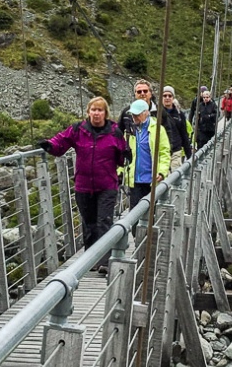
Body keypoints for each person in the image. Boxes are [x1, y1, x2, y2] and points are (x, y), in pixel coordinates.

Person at [39, 97, 129, 274]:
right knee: (89, 224)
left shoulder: (115, 132)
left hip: (107, 185)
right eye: (93, 110)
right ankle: (91, 259)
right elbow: (61, 141)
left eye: (100, 110)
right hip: (84, 186)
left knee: (104, 221)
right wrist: (49, 145)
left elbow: (121, 156)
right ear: (88, 112)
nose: (96, 113)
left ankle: (104, 261)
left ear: (105, 113)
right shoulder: (78, 129)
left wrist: (126, 154)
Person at [120, 99, 170, 211]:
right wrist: (120, 172)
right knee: (134, 215)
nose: (134, 117)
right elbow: (123, 153)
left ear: (146, 113)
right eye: (133, 114)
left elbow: (164, 152)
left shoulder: (158, 130)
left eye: (137, 114)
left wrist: (162, 171)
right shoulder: (129, 132)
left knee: (151, 214)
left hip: (152, 180)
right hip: (135, 181)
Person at [162, 86, 192, 171]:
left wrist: (189, 156)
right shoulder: (157, 113)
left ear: (173, 98)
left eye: (169, 96)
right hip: (162, 152)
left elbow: (184, 134)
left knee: (175, 180)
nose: (167, 98)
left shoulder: (179, 115)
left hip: (176, 151)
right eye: (164, 96)